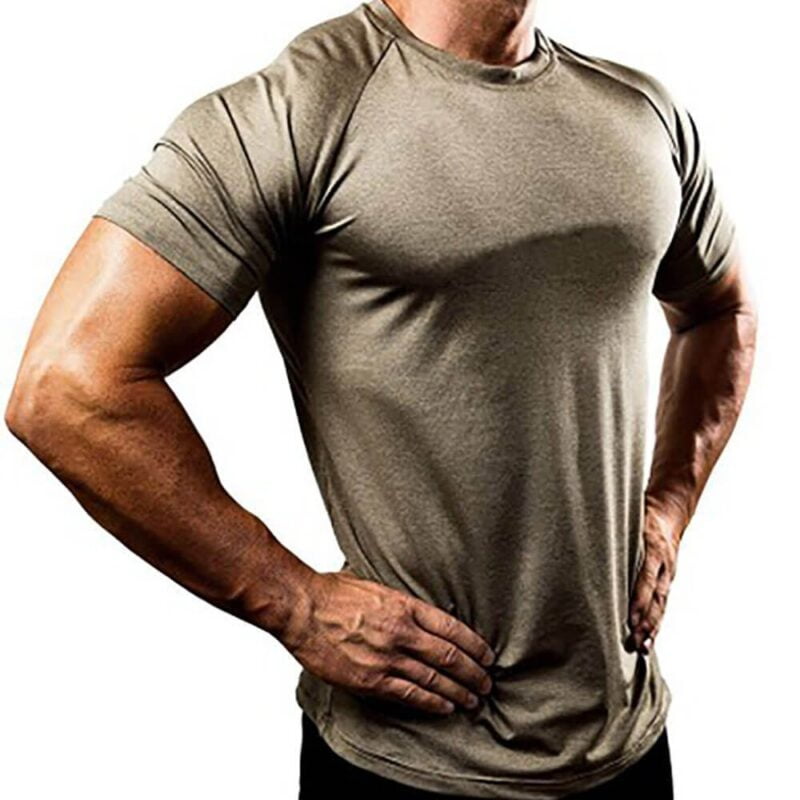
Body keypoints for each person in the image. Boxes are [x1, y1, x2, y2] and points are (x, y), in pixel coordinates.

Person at [5, 0, 757, 798]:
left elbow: (723, 313)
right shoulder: (300, 108)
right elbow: (65, 386)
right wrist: (292, 601)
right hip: (406, 762)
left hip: (628, 742)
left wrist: (669, 506)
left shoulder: (640, 111)